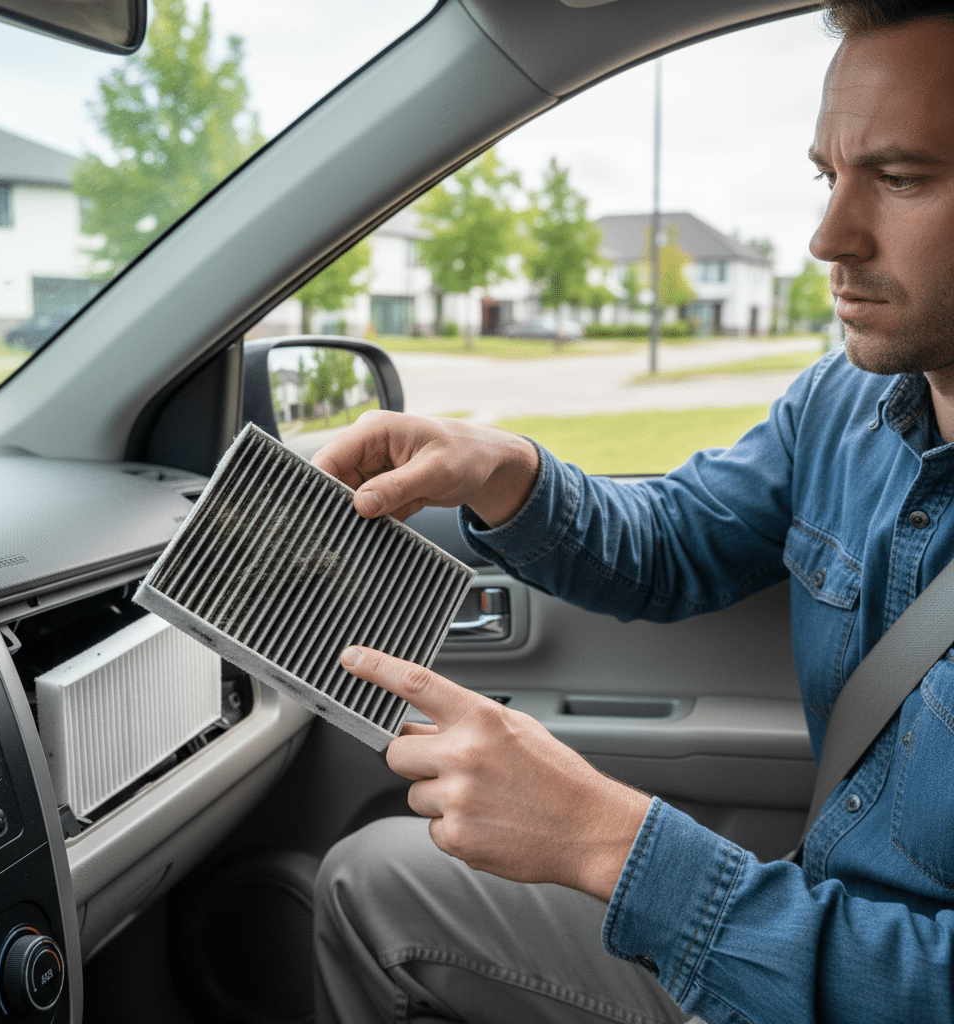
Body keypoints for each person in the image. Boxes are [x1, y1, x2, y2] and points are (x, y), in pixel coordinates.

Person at [310, 2, 954, 1021]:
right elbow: (671, 542)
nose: (828, 236)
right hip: (785, 938)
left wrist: (609, 842)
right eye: (827, 177)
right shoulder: (840, 406)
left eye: (902, 177)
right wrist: (498, 465)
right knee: (371, 882)